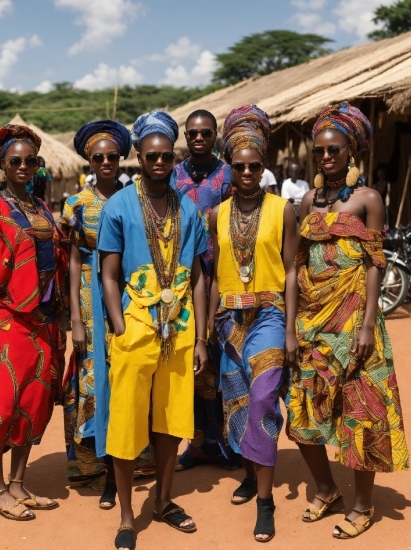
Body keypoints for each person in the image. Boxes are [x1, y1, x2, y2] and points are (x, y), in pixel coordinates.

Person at [284, 102, 409, 539]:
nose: (326, 157)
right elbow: (297, 264)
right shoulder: (306, 200)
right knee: (302, 415)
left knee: (361, 412)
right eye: (319, 150)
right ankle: (325, 488)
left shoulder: (368, 198)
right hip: (312, 322)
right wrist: (291, 324)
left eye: (334, 149)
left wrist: (370, 323)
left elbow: (376, 263)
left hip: (354, 319)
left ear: (350, 150)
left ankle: (362, 504)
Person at [97, 111, 208, 550]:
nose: (159, 162)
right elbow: (108, 275)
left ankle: (163, 501)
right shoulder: (118, 206)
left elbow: (198, 275)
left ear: (174, 157)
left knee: (170, 422)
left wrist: (200, 338)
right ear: (138, 157)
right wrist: (120, 327)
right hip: (136, 330)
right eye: (151, 155)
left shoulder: (189, 208)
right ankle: (127, 517)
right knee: (125, 424)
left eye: (166, 155)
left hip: (179, 331)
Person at [208, 105, 298, 542]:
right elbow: (212, 273)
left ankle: (266, 503)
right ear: (230, 165)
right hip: (228, 320)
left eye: (254, 165)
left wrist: (292, 327)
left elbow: (292, 270)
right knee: (236, 403)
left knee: (263, 400)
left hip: (269, 315)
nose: (246, 172)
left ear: (265, 167)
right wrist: (209, 325)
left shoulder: (283, 210)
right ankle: (249, 473)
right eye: (239, 165)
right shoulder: (216, 214)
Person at [0, 124, 67, 521]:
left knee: (34, 402)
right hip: (8, 321)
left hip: (43, 323)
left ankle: (18, 485)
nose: (24, 166)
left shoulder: (41, 208)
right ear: (2, 165)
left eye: (31, 160)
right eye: (16, 161)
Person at [59, 120, 155, 511]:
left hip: (128, 291)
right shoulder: (75, 204)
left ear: (122, 158)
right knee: (94, 380)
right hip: (88, 294)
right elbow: (73, 258)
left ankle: (128, 465)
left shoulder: (135, 197)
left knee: (126, 374)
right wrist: (77, 321)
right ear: (88, 159)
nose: (105, 162)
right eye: (97, 157)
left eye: (112, 156)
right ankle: (101, 469)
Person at [170, 109, 239, 471]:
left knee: (225, 363)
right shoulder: (172, 174)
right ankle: (197, 445)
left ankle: (229, 446)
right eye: (192, 132)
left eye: (205, 132)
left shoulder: (230, 174)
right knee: (191, 365)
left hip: (223, 281)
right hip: (182, 283)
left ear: (215, 136)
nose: (198, 138)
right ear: (185, 135)